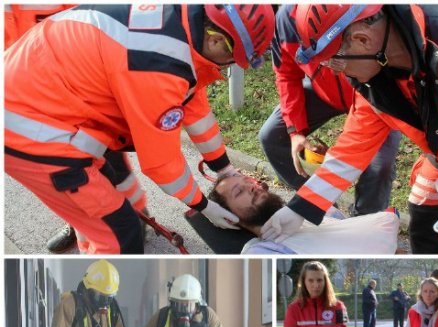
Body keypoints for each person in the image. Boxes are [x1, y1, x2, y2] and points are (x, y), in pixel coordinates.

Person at [262, 4, 438, 254]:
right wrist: (300, 209)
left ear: (362, 39)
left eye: (332, 60)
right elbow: (353, 147)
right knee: (425, 215)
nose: (334, 71)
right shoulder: (375, 80)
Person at [5, 5, 275, 253]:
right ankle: (105, 302)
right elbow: (162, 163)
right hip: (31, 129)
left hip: (39, 98)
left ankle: (91, 241)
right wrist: (202, 206)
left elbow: (195, 107)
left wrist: (224, 167)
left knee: (106, 204)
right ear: (216, 40)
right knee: (120, 237)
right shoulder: (157, 64)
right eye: (232, 60)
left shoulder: (180, 24)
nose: (228, 67)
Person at [260, 4, 401, 215]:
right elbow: (287, 75)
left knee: (380, 165)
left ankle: (363, 221)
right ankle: (321, 209)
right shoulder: (285, 21)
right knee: (271, 136)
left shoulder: (365, 11)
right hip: (323, 91)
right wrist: (295, 131)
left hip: (373, 91)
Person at [207, 173, 399, 254]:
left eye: (248, 182)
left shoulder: (303, 211)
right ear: (228, 217)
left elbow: (347, 226)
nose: (251, 187)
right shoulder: (260, 251)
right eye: (238, 192)